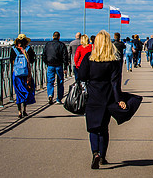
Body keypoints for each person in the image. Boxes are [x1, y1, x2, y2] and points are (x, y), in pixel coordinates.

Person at [78, 30, 125, 169]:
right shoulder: (114, 60)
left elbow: (81, 76)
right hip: (107, 96)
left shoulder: (89, 58)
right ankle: (103, 156)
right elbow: (115, 82)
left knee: (93, 128)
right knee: (104, 128)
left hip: (92, 96)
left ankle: (95, 153)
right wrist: (119, 100)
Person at [10, 34, 36, 118]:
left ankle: (19, 111)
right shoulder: (28, 49)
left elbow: (11, 61)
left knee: (18, 92)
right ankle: (25, 110)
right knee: (27, 89)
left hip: (17, 74)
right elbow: (32, 60)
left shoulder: (13, 49)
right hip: (26, 74)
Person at [42, 31, 69, 104]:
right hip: (59, 65)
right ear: (59, 37)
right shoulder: (62, 45)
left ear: (53, 36)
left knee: (50, 81)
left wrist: (46, 62)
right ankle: (59, 99)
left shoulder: (48, 44)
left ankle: (50, 94)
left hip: (50, 65)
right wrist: (65, 67)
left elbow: (44, 54)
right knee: (60, 82)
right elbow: (65, 56)